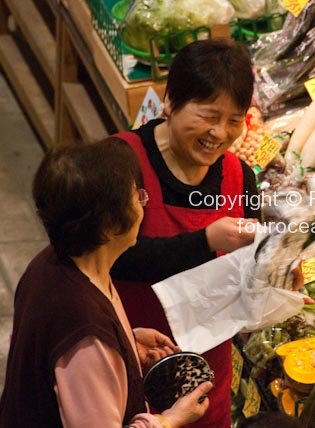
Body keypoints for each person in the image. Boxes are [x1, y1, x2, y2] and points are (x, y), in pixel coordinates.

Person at [0, 139, 213, 427]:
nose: (142, 202)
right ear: (109, 225)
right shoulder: (87, 334)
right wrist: (169, 420)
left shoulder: (50, 262)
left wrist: (125, 344)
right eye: (136, 196)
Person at [110, 38, 260, 428]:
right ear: (171, 102)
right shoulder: (122, 162)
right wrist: (206, 241)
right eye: (209, 115)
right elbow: (111, 256)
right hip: (126, 362)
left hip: (207, 381)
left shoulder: (240, 176)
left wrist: (273, 275)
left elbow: (246, 269)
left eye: (234, 120)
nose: (220, 132)